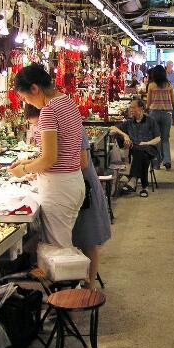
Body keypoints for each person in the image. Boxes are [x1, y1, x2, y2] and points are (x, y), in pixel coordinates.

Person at [24, 104, 111, 286]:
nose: (39, 129)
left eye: (38, 124)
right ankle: (77, 282)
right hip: (68, 187)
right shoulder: (53, 127)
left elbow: (82, 161)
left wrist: (41, 167)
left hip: (83, 186)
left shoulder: (70, 125)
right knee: (73, 236)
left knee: (89, 237)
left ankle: (89, 285)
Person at [8, 63, 84, 247]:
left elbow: (50, 159)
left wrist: (23, 170)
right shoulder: (67, 101)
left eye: (25, 97)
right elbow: (61, 150)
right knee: (63, 244)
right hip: (74, 181)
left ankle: (71, 277)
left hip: (59, 187)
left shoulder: (49, 111)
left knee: (59, 252)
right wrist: (30, 161)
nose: (27, 102)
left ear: (34, 88)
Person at [110, 99, 161, 197]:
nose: (131, 109)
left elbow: (158, 138)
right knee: (141, 154)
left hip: (149, 148)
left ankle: (133, 179)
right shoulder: (129, 123)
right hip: (136, 151)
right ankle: (144, 187)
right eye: (130, 107)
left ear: (141, 108)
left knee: (141, 151)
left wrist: (146, 143)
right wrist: (125, 135)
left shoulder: (151, 121)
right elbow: (112, 128)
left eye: (133, 107)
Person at [147, 65, 174, 170]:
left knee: (156, 138)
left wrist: (147, 108)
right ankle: (167, 161)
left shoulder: (151, 86)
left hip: (154, 113)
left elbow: (148, 102)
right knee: (165, 139)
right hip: (167, 114)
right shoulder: (169, 85)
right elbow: (173, 100)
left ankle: (156, 163)